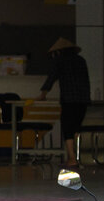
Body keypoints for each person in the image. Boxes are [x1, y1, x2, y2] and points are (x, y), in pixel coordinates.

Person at [37, 37, 90, 169]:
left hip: (69, 99)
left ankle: (72, 158)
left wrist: (43, 94)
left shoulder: (59, 61)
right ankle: (75, 157)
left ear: (59, 51)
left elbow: (51, 78)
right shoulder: (81, 60)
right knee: (76, 127)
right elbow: (86, 80)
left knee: (67, 128)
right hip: (83, 100)